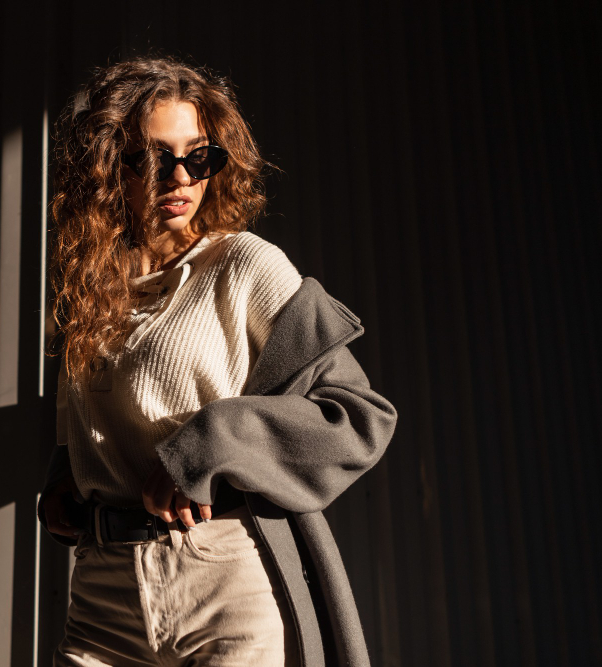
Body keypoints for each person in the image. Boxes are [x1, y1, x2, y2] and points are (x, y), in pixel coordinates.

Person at [38, 55, 397, 667]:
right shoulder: (89, 288)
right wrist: (64, 479)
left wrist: (209, 442)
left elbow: (360, 417)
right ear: (106, 166)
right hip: (103, 592)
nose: (180, 177)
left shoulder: (245, 265)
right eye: (154, 158)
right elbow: (94, 419)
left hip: (223, 581)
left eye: (198, 156)